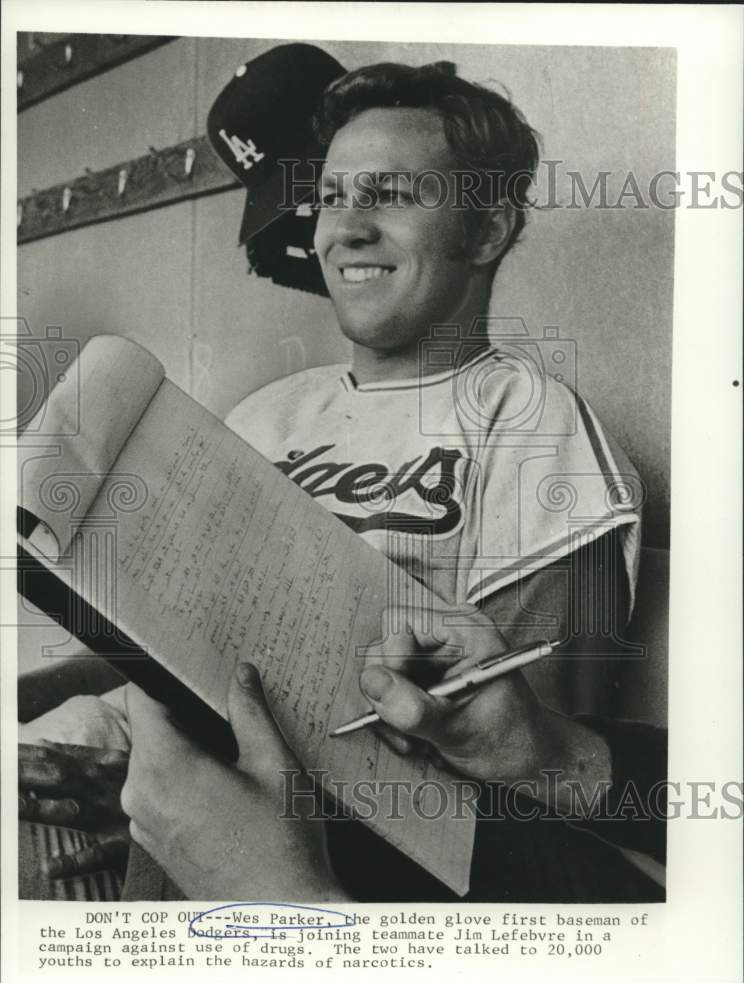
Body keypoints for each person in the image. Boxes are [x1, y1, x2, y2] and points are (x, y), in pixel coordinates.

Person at [19, 61, 665, 902]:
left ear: (487, 231)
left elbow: (505, 779)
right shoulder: (262, 412)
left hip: (319, 875)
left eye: (392, 194)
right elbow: (150, 641)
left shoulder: (537, 429)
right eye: (331, 196)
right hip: (160, 817)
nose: (345, 227)